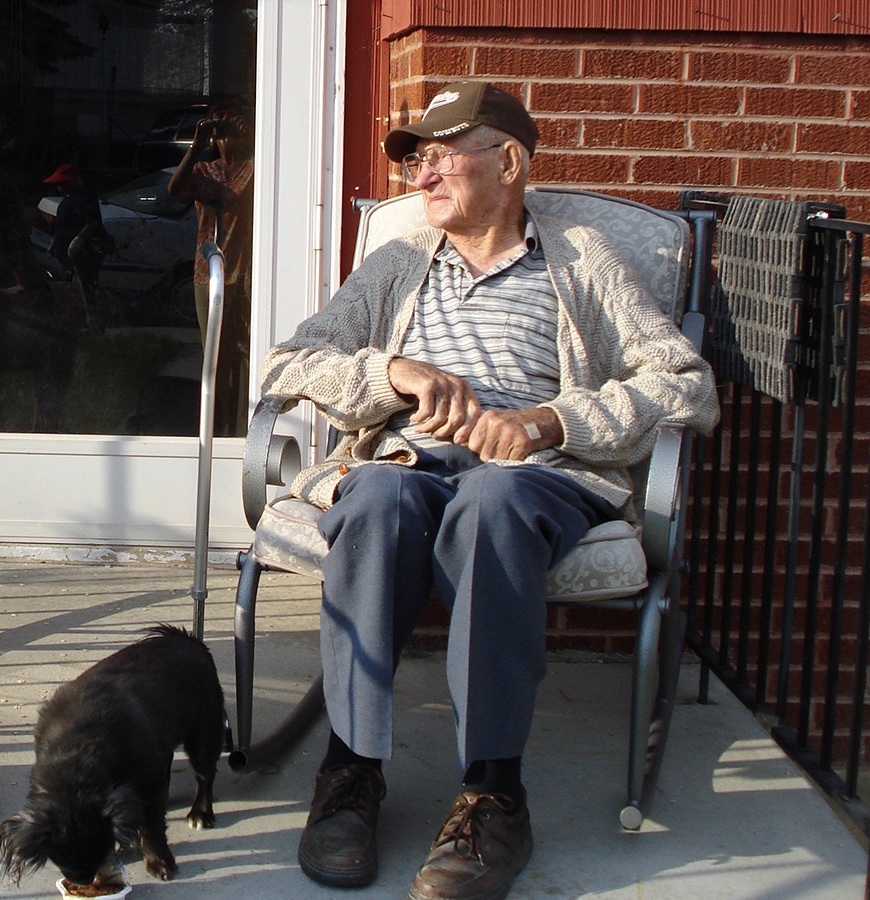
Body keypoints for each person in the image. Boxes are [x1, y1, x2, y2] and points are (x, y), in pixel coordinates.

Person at [261, 83, 716, 898]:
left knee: (492, 505)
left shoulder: (582, 257)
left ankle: (494, 792)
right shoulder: (398, 261)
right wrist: (388, 372)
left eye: (442, 157)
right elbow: (291, 363)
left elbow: (685, 384)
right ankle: (351, 771)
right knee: (373, 500)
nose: (423, 177)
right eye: (417, 162)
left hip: (534, 477)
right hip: (409, 463)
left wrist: (547, 422)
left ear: (507, 162)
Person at [168, 98, 254, 436]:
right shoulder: (205, 170)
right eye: (219, 127)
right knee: (215, 357)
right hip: (210, 272)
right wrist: (197, 145)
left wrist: (249, 140)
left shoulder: (254, 165)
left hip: (246, 270)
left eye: (231, 125)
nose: (225, 134)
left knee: (246, 351)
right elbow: (175, 188)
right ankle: (216, 429)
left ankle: (243, 425)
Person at [42, 162, 108, 330]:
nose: (58, 186)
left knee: (87, 288)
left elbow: (91, 223)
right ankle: (77, 321)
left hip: (84, 253)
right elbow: (62, 225)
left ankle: (93, 325)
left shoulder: (85, 199)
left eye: (61, 182)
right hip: (66, 254)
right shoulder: (67, 200)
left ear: (71, 182)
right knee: (70, 288)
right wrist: (54, 243)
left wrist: (77, 241)